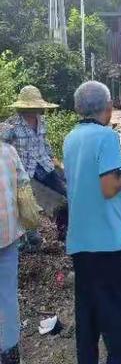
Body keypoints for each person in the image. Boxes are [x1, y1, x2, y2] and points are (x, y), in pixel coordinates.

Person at [63, 81, 121, 364]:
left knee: (87, 318)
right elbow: (109, 187)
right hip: (108, 244)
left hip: (80, 243)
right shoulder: (105, 138)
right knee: (118, 322)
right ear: (108, 108)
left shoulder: (71, 137)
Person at [0, 85, 68, 245]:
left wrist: (54, 161)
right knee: (27, 203)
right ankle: (31, 239)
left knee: (64, 196)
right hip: (25, 171)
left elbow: (44, 143)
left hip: (44, 166)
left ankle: (64, 230)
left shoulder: (41, 121)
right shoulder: (11, 125)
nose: (35, 110)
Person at [0, 141, 36, 364]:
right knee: (8, 295)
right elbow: (23, 185)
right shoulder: (8, 151)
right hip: (8, 235)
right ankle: (10, 352)